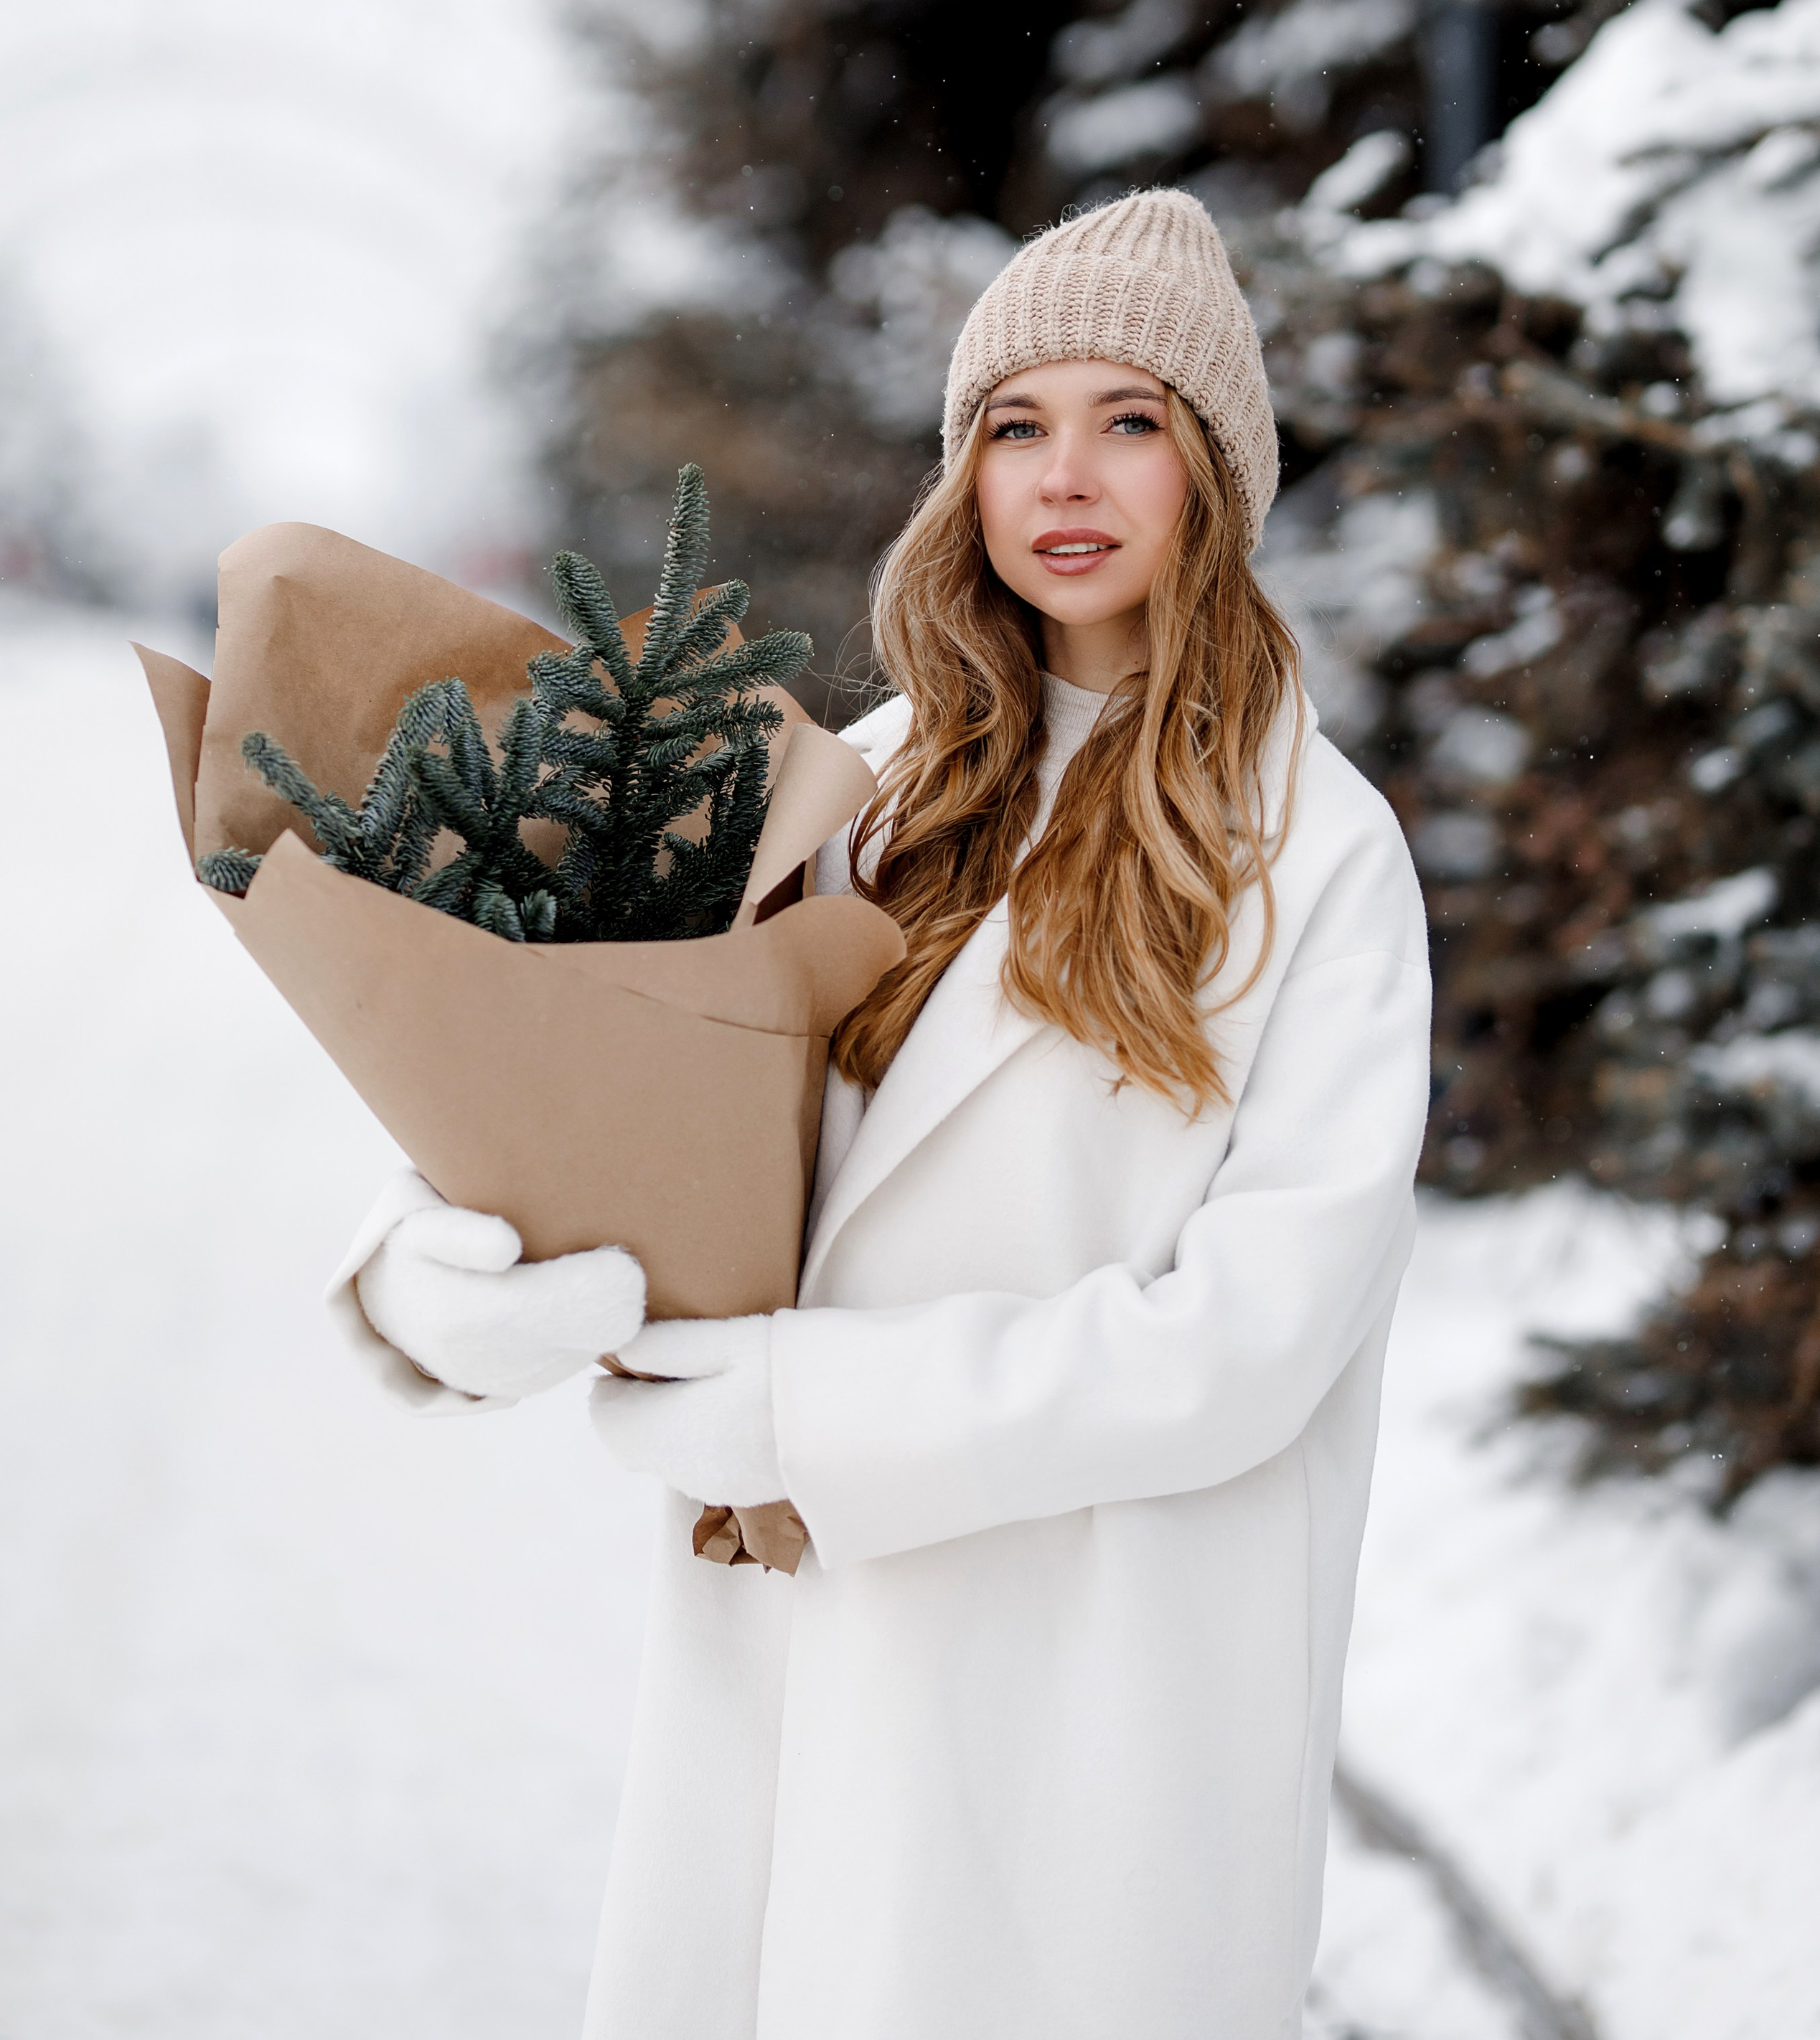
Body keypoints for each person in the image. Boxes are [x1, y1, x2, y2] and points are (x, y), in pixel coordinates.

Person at [331, 187, 1430, 2040]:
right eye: (1017, 424)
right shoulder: (860, 788)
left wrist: (818, 1411)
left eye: (1131, 420)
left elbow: (1252, 1344)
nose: (1065, 475)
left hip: (1085, 1728)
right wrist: (426, 1278)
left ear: (1216, 477)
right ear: (964, 471)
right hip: (784, 1680)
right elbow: (612, 1073)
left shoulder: (1321, 851)